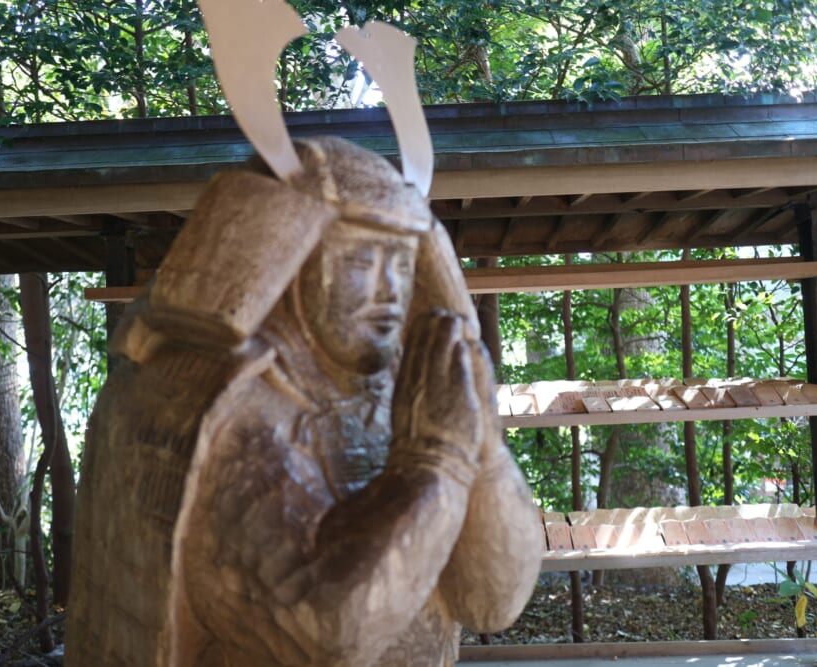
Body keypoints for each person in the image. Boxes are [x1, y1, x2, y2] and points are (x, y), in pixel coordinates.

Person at [66, 136, 541, 666]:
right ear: (291, 256)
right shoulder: (224, 399)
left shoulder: (411, 385)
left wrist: (484, 452)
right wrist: (438, 460)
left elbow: (493, 602)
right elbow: (323, 632)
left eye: (404, 265)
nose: (389, 291)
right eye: (361, 261)